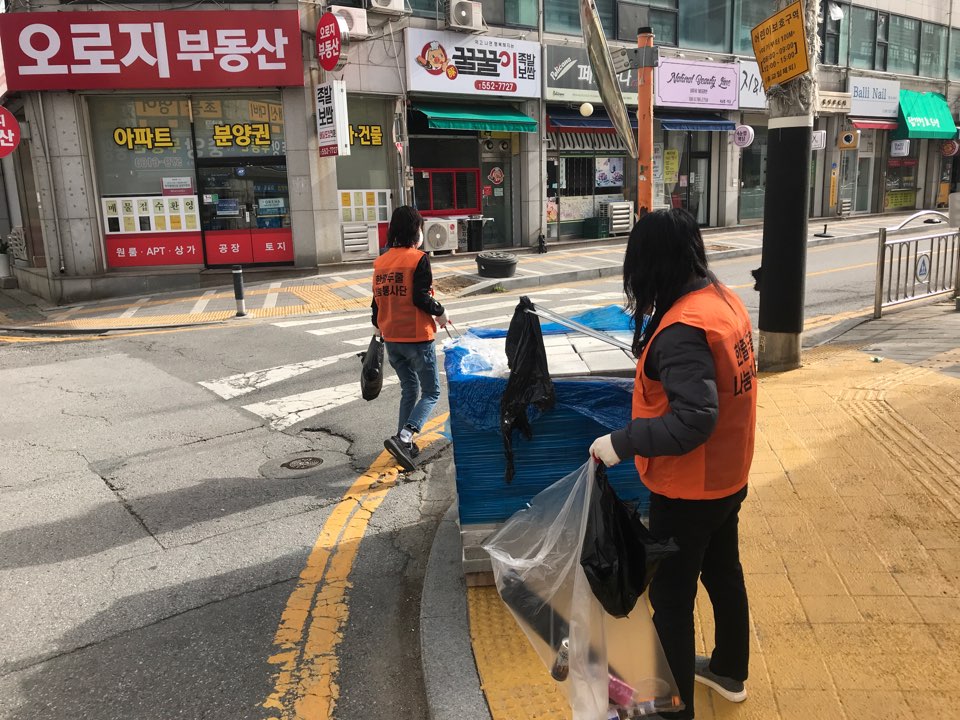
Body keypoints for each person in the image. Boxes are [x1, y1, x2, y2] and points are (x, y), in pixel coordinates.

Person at [589, 208, 757, 720]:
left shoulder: (684, 328)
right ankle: (729, 670)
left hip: (689, 490)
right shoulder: (721, 301)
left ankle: (672, 712)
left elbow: (694, 419)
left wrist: (622, 442)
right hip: (729, 475)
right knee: (723, 571)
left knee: (672, 601)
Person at [372, 206, 449, 471]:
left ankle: (402, 443)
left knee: (409, 388)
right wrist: (440, 312)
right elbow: (420, 297)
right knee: (432, 391)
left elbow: (375, 303)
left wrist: (377, 329)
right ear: (415, 230)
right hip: (416, 337)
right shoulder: (418, 259)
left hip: (392, 338)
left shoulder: (381, 262)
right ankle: (405, 436)